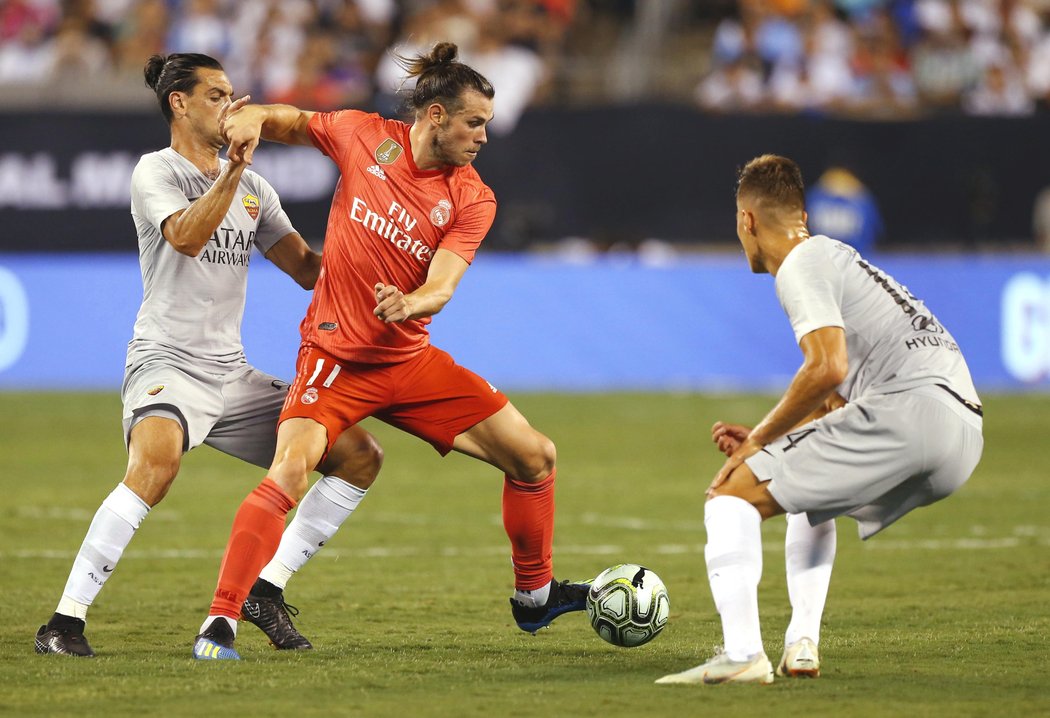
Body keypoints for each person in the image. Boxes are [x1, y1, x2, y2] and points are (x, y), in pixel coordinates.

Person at [191, 41, 589, 661]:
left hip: (407, 359)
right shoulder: (362, 137)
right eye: (474, 122)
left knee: (536, 457)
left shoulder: (472, 196)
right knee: (292, 471)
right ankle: (221, 620)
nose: (484, 135)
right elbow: (290, 121)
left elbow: (445, 282)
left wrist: (413, 303)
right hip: (334, 358)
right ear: (435, 116)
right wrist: (254, 115)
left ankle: (535, 597)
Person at [33, 53, 383, 658]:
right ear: (180, 102)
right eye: (218, 95)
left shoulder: (255, 189)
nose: (232, 106)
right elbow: (188, 238)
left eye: (232, 95)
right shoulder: (155, 172)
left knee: (357, 455)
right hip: (166, 362)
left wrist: (368, 247)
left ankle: (266, 589)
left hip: (232, 373)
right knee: (156, 464)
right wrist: (232, 173)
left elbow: (306, 270)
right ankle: (64, 624)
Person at [656, 154, 983, 685]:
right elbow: (838, 402)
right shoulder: (840, 258)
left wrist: (755, 442)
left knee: (731, 495)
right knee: (807, 493)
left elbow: (828, 367)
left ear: (747, 221)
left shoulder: (802, 265)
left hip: (913, 409)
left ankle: (742, 655)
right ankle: (801, 641)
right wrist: (781, 437)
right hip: (961, 432)